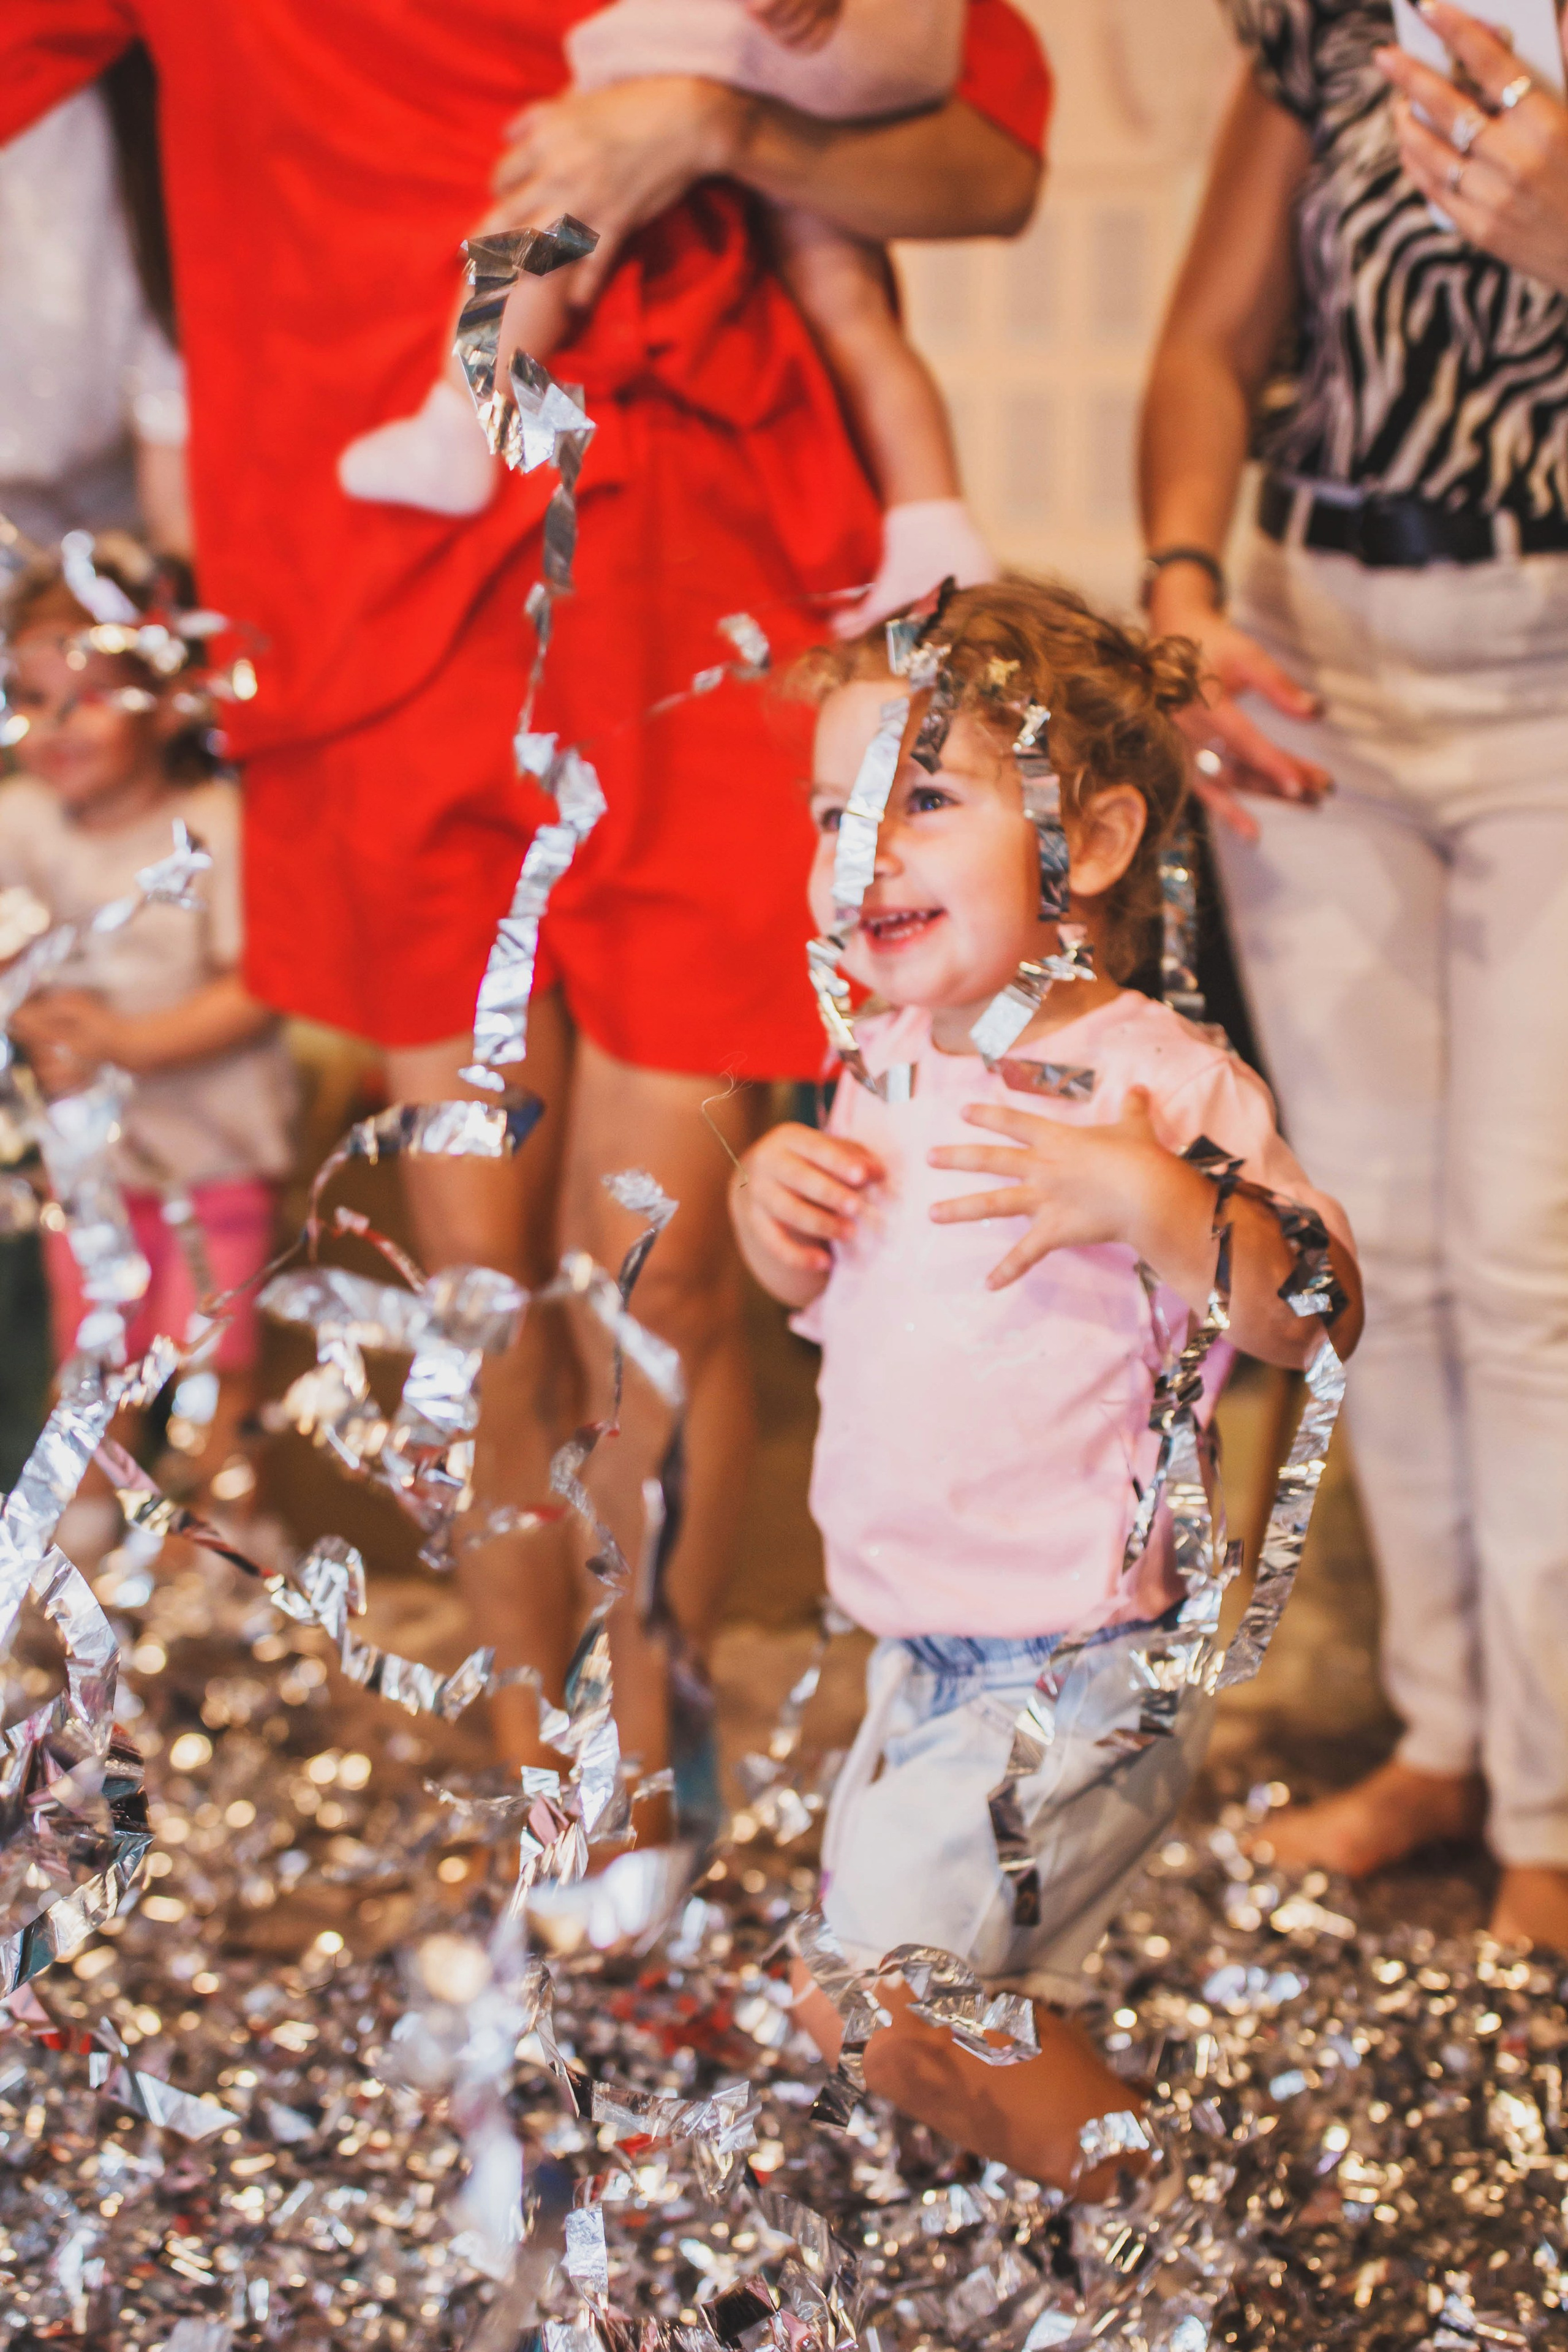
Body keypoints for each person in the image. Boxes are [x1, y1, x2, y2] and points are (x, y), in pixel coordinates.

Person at [0, 3, 1049, 1786]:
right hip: (366, 581)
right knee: (472, 1282)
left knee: (649, 1269)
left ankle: (644, 1756)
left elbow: (989, 160)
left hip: (698, 557)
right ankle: (550, 1780)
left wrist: (720, 128)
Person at [730, 579, 1362, 2186]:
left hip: (1074, 1658)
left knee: (893, 2000)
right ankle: (1083, 2198)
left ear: (1082, 850)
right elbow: (844, 1307)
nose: (857, 850)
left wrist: (1160, 1207)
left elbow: (1316, 1303)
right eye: (832, 812)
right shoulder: (881, 1055)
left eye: (918, 801)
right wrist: (773, 1225)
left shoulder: (1161, 1076)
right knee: (878, 2006)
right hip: (922, 1648)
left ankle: (1158, 2221)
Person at [1137, 0, 1568, 1948]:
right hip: (1317, 668)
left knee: (1528, 1252)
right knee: (1367, 1232)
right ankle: (1441, 1736)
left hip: (1550, 678)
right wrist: (1177, 593)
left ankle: (1551, 1809)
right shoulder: (1319, 23)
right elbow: (1209, 350)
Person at [339, 0, 992, 632]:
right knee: (854, 316)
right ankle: (933, 524)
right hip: (801, 96)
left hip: (711, 82)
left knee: (535, 237)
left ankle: (457, 419)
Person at [0, 550, 295, 1506]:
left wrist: (124, 1042)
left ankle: (225, 1547)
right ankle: (79, 1554)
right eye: (30, 700)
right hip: (92, 1171)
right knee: (91, 1367)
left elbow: (257, 987)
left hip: (217, 1155)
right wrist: (43, 1017)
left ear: (166, 702)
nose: (53, 729)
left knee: (216, 1367)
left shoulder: (213, 825)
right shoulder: (21, 823)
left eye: (83, 699)